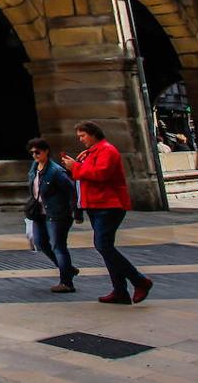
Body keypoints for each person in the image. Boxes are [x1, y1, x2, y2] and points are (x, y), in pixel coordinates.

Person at [61, 121, 153, 305]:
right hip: (95, 205)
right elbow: (84, 176)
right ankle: (120, 291)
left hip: (109, 205)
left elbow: (101, 174)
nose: (81, 140)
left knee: (103, 246)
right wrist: (74, 166)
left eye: (82, 136)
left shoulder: (107, 150)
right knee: (105, 247)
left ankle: (139, 281)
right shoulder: (91, 153)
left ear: (93, 133)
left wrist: (76, 168)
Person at [26, 138, 78, 293]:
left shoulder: (56, 171)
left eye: (38, 152)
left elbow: (71, 190)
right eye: (32, 153)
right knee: (40, 242)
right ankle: (67, 268)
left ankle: (67, 282)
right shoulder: (34, 167)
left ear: (46, 151)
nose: (35, 155)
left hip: (57, 213)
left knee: (58, 246)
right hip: (39, 213)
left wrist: (74, 211)